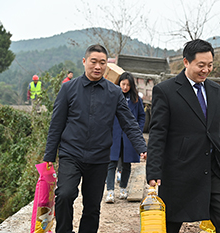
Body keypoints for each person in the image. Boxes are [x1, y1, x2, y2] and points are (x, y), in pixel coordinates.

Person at [146, 39, 220, 233]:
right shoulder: (166, 91)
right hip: (179, 171)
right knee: (170, 225)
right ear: (186, 62)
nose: (206, 70)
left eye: (210, 65)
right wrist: (154, 171)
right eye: (201, 65)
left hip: (212, 170)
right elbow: (158, 134)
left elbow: (219, 133)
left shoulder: (216, 91)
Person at [43, 44, 147, 233]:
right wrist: (49, 156)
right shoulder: (68, 88)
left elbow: (129, 123)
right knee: (65, 194)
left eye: (102, 63)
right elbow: (56, 124)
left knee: (92, 206)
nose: (98, 66)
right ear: (84, 62)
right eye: (93, 62)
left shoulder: (114, 92)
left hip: (99, 157)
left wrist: (142, 146)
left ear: (107, 66)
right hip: (71, 153)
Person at [105, 72, 145, 203]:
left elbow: (141, 116)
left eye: (128, 85)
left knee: (127, 163)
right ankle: (110, 191)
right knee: (111, 163)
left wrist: (137, 130)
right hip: (114, 134)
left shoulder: (136, 99)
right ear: (119, 84)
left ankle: (123, 188)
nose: (125, 87)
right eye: (123, 84)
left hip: (129, 137)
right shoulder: (113, 96)